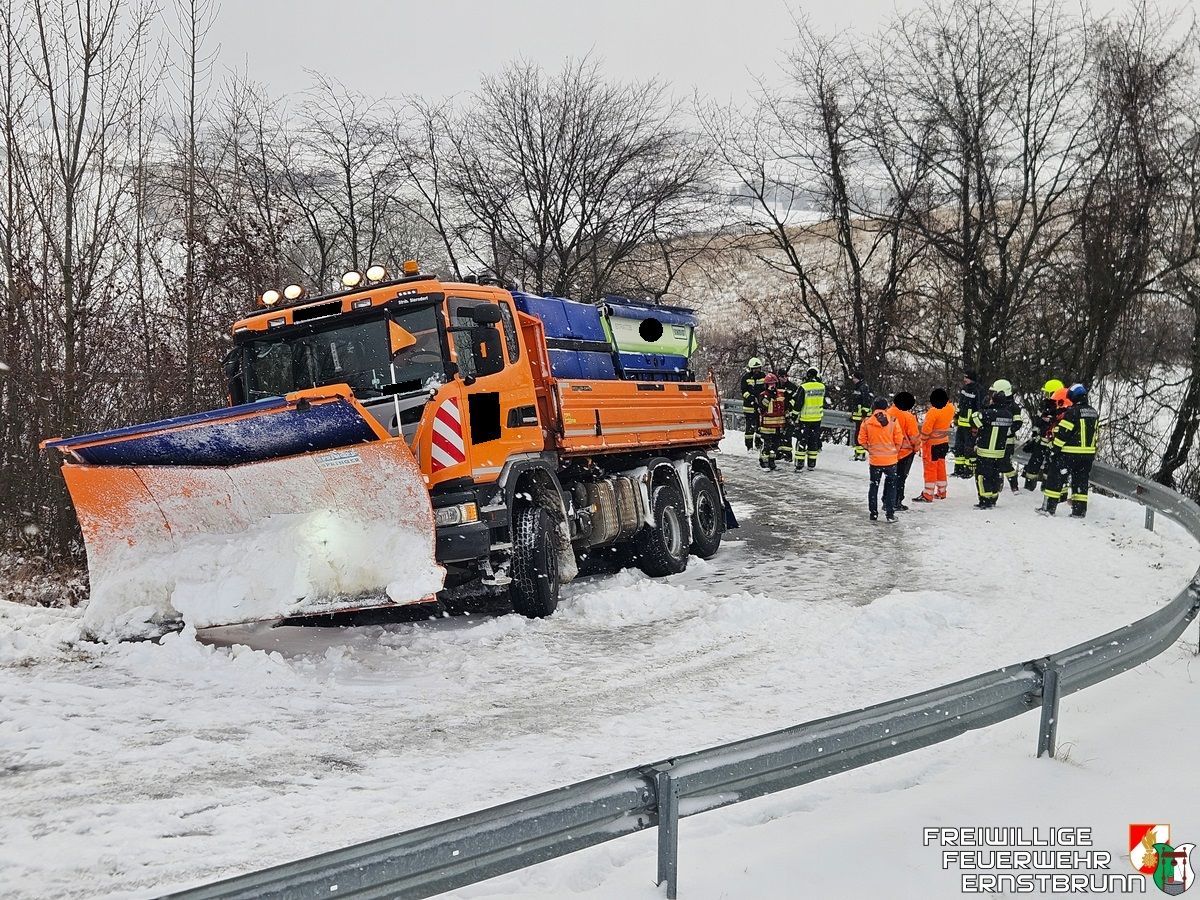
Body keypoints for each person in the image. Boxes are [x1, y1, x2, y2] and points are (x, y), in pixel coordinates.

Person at [1040, 383, 1099, 517]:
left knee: (1055, 478)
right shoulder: (1093, 412)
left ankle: (1048, 508)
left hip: (1069, 453)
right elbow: (1096, 433)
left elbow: (1063, 433)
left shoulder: (1072, 411)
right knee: (1081, 482)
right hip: (1087, 455)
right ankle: (1079, 511)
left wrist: (1055, 449)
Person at [970, 379, 1017, 509]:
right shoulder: (1008, 415)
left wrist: (985, 409)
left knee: (982, 476)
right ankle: (993, 498)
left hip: (985, 451)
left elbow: (973, 419)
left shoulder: (987, 414)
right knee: (995, 476)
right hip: (999, 452)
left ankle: (985, 500)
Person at [858, 397, 903, 522]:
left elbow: (861, 440)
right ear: (886, 407)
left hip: (875, 461)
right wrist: (895, 451)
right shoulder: (893, 420)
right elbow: (899, 439)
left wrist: (870, 450)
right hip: (891, 461)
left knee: (874, 486)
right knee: (891, 487)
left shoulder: (867, 422)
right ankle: (890, 514)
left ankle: (873, 513)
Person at [913, 388, 956, 502]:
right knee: (941, 466)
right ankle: (942, 491)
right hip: (944, 442)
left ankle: (928, 494)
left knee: (930, 469)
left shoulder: (934, 411)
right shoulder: (950, 408)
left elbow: (927, 429)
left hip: (932, 444)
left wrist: (922, 439)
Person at [1022, 378, 1065, 491]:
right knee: (1033, 464)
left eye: (1048, 393)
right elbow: (1038, 421)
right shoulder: (1044, 405)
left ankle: (1046, 486)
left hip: (1052, 443)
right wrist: (1034, 434)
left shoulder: (1061, 408)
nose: (1046, 395)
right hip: (1040, 442)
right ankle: (1029, 485)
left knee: (1050, 467)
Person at [886, 391, 920, 510]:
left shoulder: (887, 413)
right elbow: (914, 436)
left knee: (890, 477)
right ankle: (896, 502)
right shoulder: (908, 416)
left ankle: (886, 501)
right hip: (905, 452)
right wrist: (916, 448)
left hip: (889, 451)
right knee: (901, 478)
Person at [952, 370, 983, 479]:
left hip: (970, 425)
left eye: (967, 378)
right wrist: (956, 416)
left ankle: (968, 470)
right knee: (958, 447)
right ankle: (958, 469)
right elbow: (961, 405)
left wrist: (975, 426)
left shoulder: (978, 390)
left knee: (968, 448)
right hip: (961, 424)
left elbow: (979, 409)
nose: (965, 380)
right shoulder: (964, 389)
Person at [795, 368, 827, 471]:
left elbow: (798, 404)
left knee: (802, 441)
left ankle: (799, 464)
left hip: (805, 418)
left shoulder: (804, 387)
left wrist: (793, 415)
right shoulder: (822, 387)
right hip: (817, 418)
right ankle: (811, 464)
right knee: (813, 441)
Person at [757, 372, 789, 470]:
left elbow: (786, 407)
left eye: (774, 384)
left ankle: (772, 461)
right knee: (767, 445)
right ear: (766, 385)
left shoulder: (781, 394)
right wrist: (770, 395)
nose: (772, 386)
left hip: (778, 425)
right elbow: (763, 406)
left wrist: (787, 419)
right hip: (767, 426)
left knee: (775, 446)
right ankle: (764, 462)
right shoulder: (763, 395)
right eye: (770, 384)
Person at [740, 358, 767, 452]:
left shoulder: (764, 377)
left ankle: (759, 444)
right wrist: (750, 397)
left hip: (760, 407)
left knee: (760, 427)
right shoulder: (746, 378)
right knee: (750, 428)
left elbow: (767, 389)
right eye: (754, 368)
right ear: (751, 369)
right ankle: (749, 446)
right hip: (749, 407)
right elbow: (743, 391)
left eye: (758, 368)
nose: (757, 370)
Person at [774, 368, 799, 462]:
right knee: (778, 434)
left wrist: (788, 408)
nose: (783, 378)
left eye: (785, 376)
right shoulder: (776, 386)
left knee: (787, 434)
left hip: (789, 414)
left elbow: (795, 400)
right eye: (781, 377)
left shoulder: (792, 387)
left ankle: (788, 455)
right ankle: (779, 453)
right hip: (778, 414)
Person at [848, 371, 873, 462]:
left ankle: (860, 454)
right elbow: (855, 402)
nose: (853, 380)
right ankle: (858, 453)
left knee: (860, 434)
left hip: (861, 416)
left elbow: (866, 402)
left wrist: (864, 413)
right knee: (858, 434)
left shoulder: (863, 387)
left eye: (854, 378)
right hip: (858, 415)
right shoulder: (858, 387)